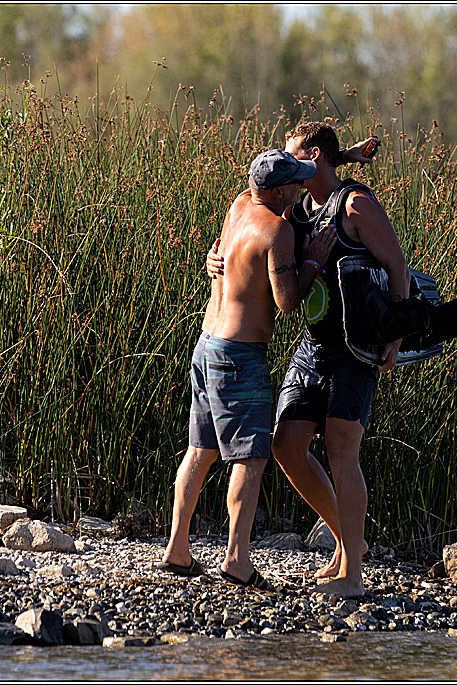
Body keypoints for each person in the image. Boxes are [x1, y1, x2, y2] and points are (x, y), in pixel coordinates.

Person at [208, 123, 404, 597]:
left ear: (313, 157)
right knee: (285, 446)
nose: (290, 167)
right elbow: (253, 203)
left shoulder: (356, 206)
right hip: (314, 346)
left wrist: (394, 338)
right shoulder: (296, 207)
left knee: (342, 453)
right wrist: (215, 254)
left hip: (355, 349)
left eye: (297, 158)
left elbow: (397, 265)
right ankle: (344, 542)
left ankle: (352, 577)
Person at [157, 147, 337, 591]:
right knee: (252, 457)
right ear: (278, 192)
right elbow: (287, 301)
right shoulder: (277, 232)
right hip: (240, 356)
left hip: (206, 345)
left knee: (200, 451)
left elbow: (228, 257)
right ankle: (237, 561)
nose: (301, 189)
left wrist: (344, 155)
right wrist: (312, 259)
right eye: (295, 183)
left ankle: (177, 551)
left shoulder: (239, 203)